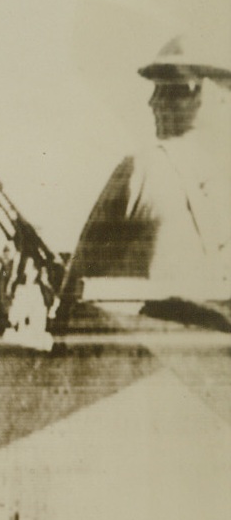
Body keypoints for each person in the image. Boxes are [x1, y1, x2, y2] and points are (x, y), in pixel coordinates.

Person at [62, 33, 231, 313]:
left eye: (171, 89)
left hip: (138, 353)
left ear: (213, 95)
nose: (153, 102)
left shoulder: (141, 170)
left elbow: (72, 291)